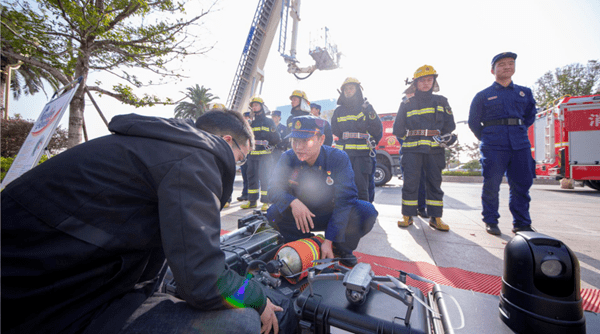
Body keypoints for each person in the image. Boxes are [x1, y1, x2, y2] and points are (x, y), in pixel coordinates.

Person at [1, 111, 289, 334]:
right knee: (241, 323)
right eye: (242, 157)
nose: (239, 164)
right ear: (227, 142)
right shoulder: (197, 158)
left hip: (45, 281)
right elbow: (204, 281)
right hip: (46, 304)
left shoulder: (152, 146)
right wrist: (255, 297)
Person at [267, 115, 378, 267]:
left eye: (306, 141)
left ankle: (340, 248)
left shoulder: (338, 158)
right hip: (302, 216)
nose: (299, 147)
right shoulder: (288, 158)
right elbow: (273, 189)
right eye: (295, 141)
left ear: (321, 139)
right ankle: (303, 244)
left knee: (366, 211)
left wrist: (329, 239)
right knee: (273, 212)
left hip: (330, 215)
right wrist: (293, 202)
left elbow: (345, 200)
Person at [468, 52, 537, 235]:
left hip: (520, 144)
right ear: (493, 70)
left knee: (521, 185)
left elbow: (529, 116)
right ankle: (491, 220)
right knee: (491, 184)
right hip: (493, 145)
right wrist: (487, 137)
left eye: (510, 63)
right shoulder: (483, 95)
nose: (507, 67)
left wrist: (517, 130)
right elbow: (473, 122)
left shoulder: (525, 93)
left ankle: (522, 223)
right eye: (502, 64)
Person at [393, 65, 455, 231]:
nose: (426, 83)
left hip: (435, 150)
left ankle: (436, 218)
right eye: (422, 80)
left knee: (434, 183)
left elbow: (450, 125)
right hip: (412, 150)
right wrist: (411, 138)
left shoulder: (441, 101)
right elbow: (397, 129)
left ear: (434, 81)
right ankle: (407, 216)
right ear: (416, 83)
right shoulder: (407, 103)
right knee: (410, 184)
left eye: (429, 80)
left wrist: (448, 137)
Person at [331, 77, 383, 202]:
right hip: (344, 156)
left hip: (362, 155)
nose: (348, 91)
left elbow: (377, 128)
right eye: (346, 89)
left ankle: (364, 217)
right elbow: (335, 130)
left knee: (362, 188)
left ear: (358, 90)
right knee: (343, 186)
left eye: (351, 88)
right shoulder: (338, 111)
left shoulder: (366, 108)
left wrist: (372, 142)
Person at [241, 96, 281, 211]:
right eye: (253, 106)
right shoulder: (250, 123)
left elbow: (277, 138)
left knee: (265, 177)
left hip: (265, 156)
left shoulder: (269, 121)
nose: (254, 107)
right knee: (251, 177)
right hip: (252, 155)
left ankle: (266, 201)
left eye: (256, 105)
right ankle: (252, 201)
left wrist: (270, 145)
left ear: (262, 107)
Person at [237, 111, 253, 202]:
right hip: (244, 155)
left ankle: (249, 195)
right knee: (244, 175)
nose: (247, 119)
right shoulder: (241, 129)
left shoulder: (254, 128)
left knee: (250, 176)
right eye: (245, 118)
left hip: (253, 156)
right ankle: (244, 193)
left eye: (248, 117)